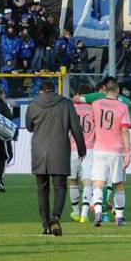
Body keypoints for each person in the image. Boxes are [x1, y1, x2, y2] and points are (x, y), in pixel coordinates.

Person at [26, 79, 86, 236]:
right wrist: (82, 149)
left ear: (41, 91)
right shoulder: (66, 104)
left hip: (39, 151)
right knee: (60, 187)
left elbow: (29, 126)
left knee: (42, 189)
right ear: (55, 90)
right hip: (59, 150)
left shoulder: (33, 104)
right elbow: (76, 129)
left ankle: (45, 224)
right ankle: (56, 216)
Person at [90, 78, 131, 227]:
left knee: (98, 183)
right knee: (119, 183)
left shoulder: (95, 105)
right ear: (118, 90)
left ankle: (98, 212)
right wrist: (128, 152)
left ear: (104, 89)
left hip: (99, 149)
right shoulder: (122, 107)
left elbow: (94, 125)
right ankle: (120, 218)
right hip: (116, 150)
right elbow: (125, 130)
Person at [70, 87, 96, 223]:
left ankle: (76, 212)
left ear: (78, 94)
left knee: (73, 180)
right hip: (89, 149)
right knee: (87, 182)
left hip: (72, 149)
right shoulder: (93, 108)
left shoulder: (71, 107)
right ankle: (84, 215)